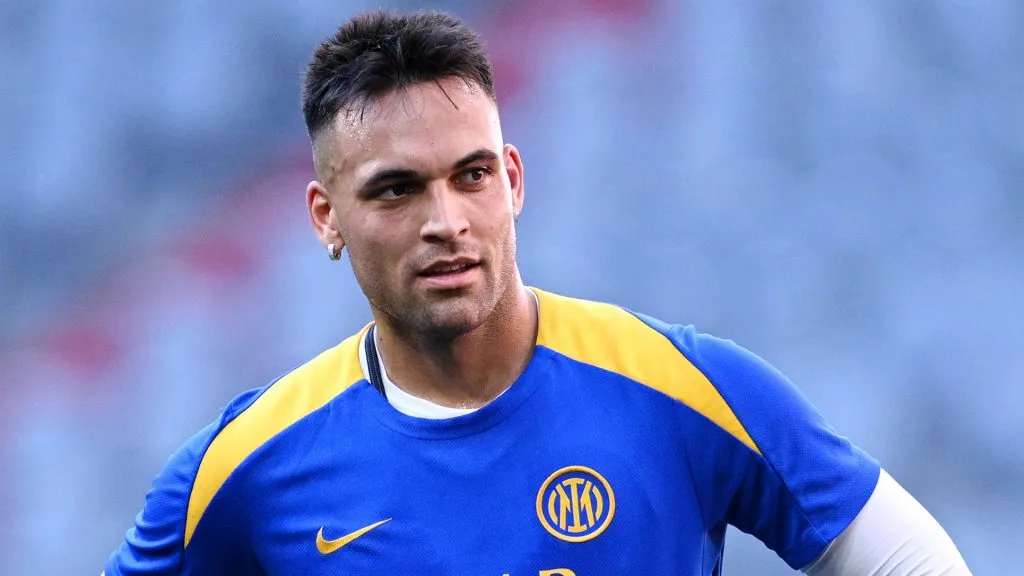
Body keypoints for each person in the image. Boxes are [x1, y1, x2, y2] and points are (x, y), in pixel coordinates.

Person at [104, 9, 972, 576]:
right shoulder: (248, 464)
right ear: (326, 217)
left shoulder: (681, 385)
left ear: (513, 180)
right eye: (396, 189)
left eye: (471, 174)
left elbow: (912, 561)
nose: (446, 220)